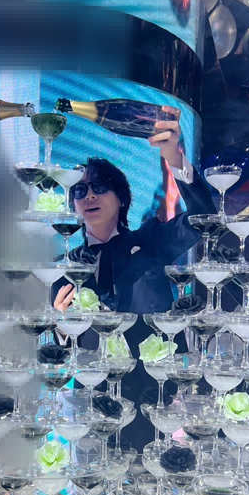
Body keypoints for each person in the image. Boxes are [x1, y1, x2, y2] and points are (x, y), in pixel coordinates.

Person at [52, 107, 216, 452]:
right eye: (79, 191)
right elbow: (60, 352)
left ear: (122, 197)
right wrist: (62, 330)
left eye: (100, 187)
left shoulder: (151, 241)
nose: (89, 196)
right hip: (93, 401)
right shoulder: (64, 268)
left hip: (153, 395)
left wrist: (175, 159)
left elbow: (205, 218)